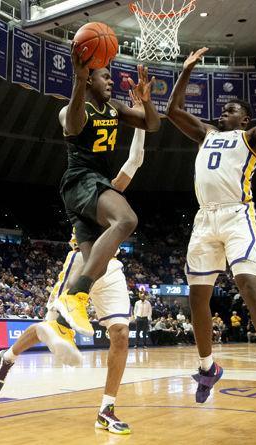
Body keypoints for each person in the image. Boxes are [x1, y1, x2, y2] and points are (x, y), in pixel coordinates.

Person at [0, 116, 148, 435]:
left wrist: (142, 117)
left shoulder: (111, 190)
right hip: (80, 262)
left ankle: (107, 409)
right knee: (49, 327)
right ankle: (7, 356)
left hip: (111, 268)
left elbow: (136, 159)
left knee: (120, 334)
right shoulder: (81, 190)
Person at [166, 42, 256, 408]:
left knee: (249, 287)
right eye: (224, 109)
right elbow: (173, 110)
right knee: (197, 298)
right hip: (205, 218)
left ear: (245, 119)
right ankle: (208, 367)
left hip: (238, 215)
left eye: (233, 109)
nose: (225, 111)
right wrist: (187, 69)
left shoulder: (251, 138)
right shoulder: (205, 133)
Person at [52, 43, 160, 338]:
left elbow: (152, 124)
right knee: (126, 220)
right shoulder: (72, 109)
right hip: (81, 180)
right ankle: (76, 295)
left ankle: (63, 313)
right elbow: (72, 127)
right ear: (89, 79)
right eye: (105, 76)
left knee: (96, 264)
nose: (111, 81)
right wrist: (77, 79)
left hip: (90, 187)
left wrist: (147, 101)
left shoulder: (114, 108)